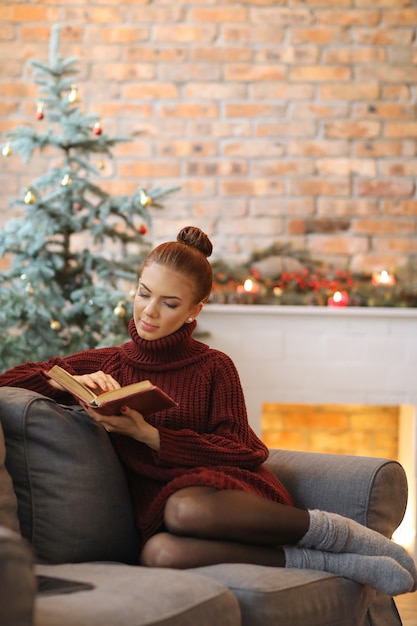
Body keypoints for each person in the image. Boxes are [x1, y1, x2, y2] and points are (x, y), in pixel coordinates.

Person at [0, 226, 416, 597]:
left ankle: (342, 534)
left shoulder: (214, 366)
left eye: (169, 303)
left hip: (228, 495)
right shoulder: (110, 364)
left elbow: (245, 451)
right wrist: (60, 380)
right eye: (144, 293)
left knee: (187, 508)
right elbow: (9, 380)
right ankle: (331, 564)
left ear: (194, 310)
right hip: (162, 511)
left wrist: (150, 436)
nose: (149, 311)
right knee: (159, 553)